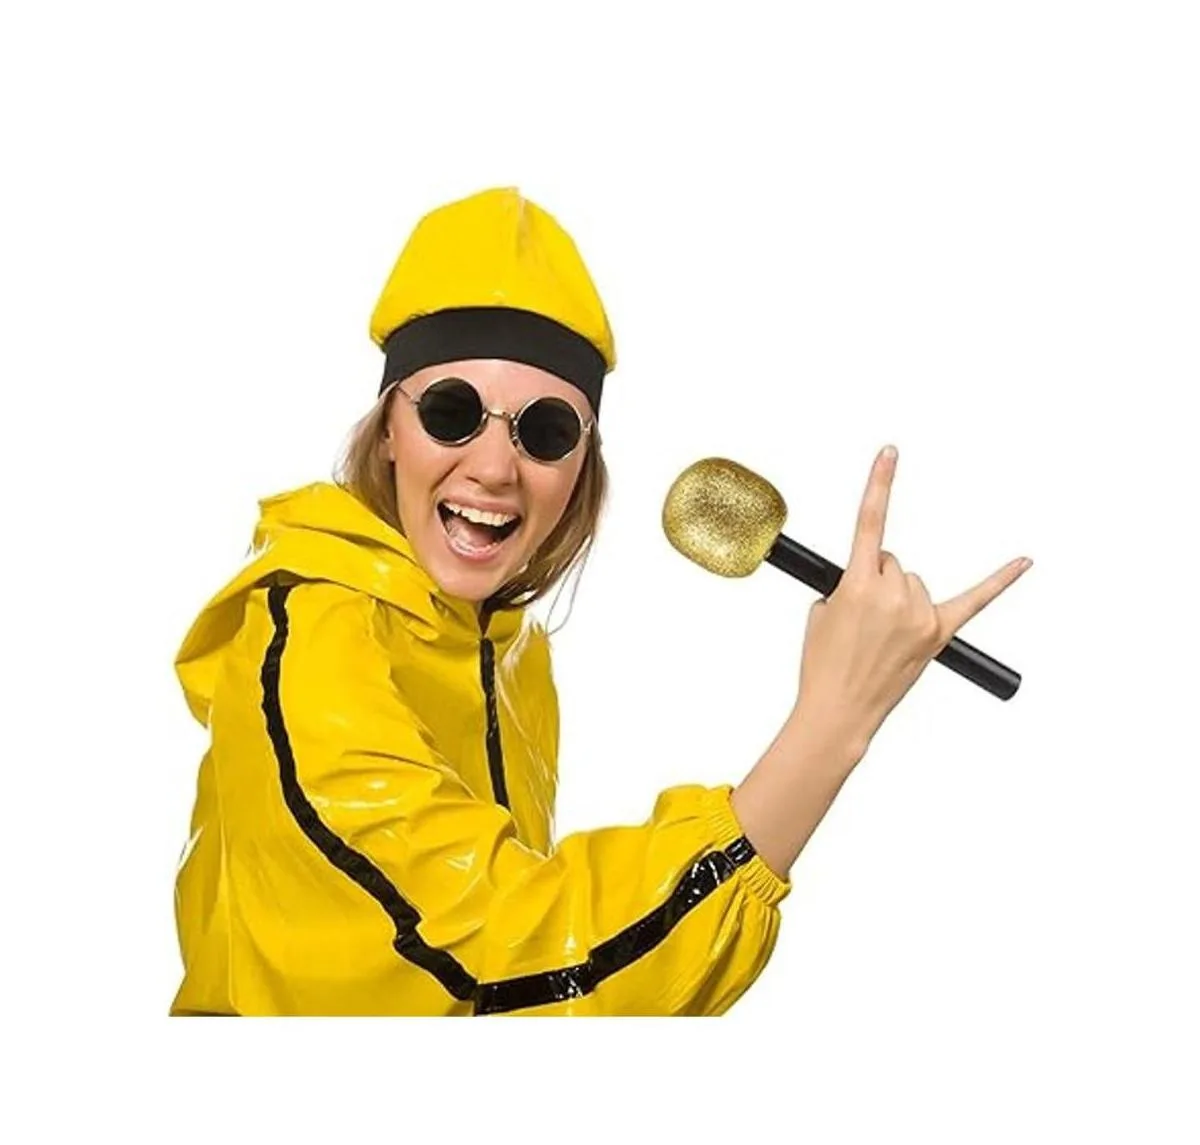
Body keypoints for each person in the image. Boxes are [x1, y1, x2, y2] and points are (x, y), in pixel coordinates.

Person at [170, 186, 1031, 1016]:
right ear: (390, 429)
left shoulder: (505, 649)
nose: (495, 468)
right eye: (451, 412)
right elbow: (503, 963)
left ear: (583, 460)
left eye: (546, 430)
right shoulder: (307, 646)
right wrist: (832, 720)